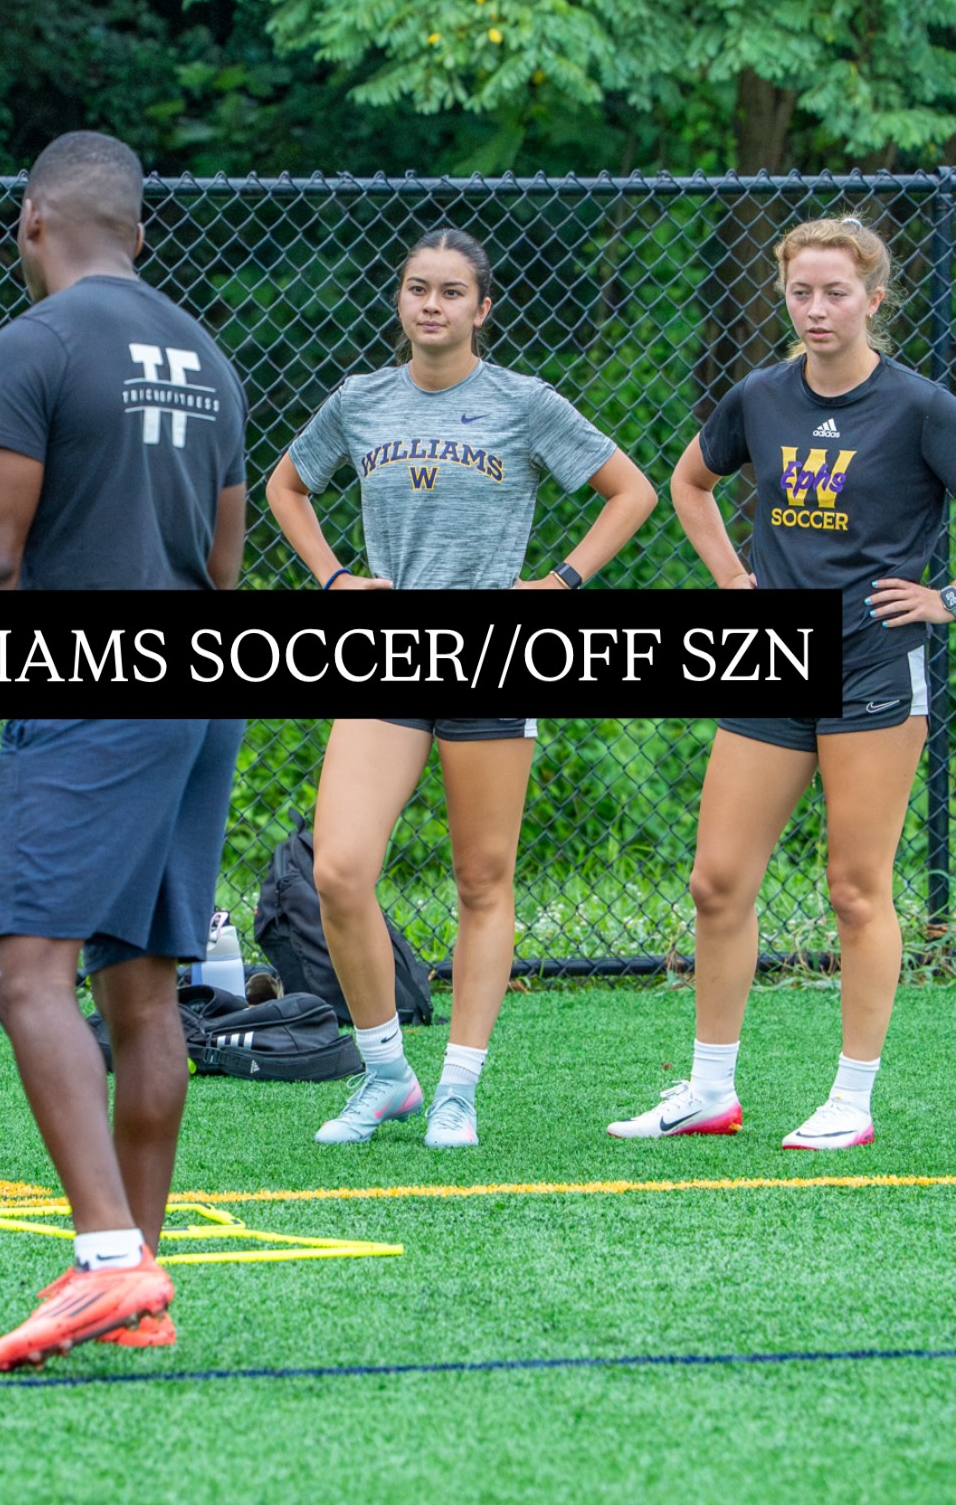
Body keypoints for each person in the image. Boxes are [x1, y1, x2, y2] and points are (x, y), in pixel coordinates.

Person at [0, 130, 246, 1369]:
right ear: (135, 231)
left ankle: (104, 1257)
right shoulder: (210, 357)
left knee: (22, 966)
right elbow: (224, 566)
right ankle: (137, 1277)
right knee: (143, 986)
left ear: (32, 219)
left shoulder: (31, 345)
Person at [266, 226, 657, 1149]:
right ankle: (388, 1073)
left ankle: (459, 1089)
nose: (430, 305)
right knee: (338, 869)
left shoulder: (524, 403)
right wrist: (332, 579)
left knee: (483, 880)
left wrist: (559, 585)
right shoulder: (359, 401)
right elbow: (286, 487)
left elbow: (630, 491)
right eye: (415, 289)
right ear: (399, 302)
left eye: (450, 292)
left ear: (483, 309)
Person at [608, 214, 956, 1152]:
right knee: (717, 882)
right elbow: (690, 484)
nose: (816, 308)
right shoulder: (760, 396)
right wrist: (731, 580)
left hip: (874, 666)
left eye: (836, 292)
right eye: (800, 291)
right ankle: (710, 1091)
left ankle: (852, 1098)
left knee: (855, 889)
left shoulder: (923, 406)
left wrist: (945, 600)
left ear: (875, 301)